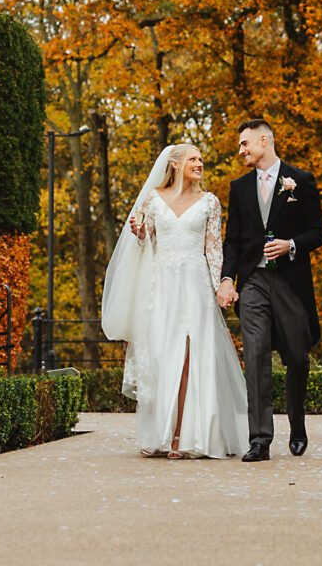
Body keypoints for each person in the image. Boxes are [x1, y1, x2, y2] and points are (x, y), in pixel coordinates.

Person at [101, 144, 247, 458]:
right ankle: (160, 433)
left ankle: (184, 434)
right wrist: (140, 234)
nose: (200, 163)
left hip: (194, 286)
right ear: (176, 164)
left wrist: (221, 286)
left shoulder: (210, 202)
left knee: (189, 357)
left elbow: (214, 250)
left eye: (201, 159)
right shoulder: (153, 198)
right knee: (161, 356)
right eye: (193, 159)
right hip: (161, 285)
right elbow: (147, 239)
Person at [217, 119, 322, 462]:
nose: (241, 151)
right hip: (253, 284)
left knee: (297, 356)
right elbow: (232, 241)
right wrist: (227, 279)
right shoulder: (239, 188)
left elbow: (318, 232)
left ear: (265, 140)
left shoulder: (301, 180)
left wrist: (291, 244)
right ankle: (260, 439)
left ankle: (297, 423)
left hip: (291, 283)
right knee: (255, 355)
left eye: (245, 144)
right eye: (240, 145)